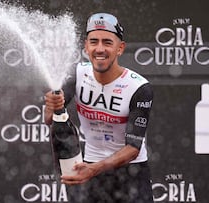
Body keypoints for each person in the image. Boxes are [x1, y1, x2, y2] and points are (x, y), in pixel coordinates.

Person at [44, 13, 154, 203]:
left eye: (107, 42)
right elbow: (50, 120)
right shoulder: (77, 73)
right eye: (94, 41)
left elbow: (133, 148)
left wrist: (94, 169)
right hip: (91, 169)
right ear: (86, 46)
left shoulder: (139, 87)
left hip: (132, 173)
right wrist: (50, 107)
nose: (100, 49)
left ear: (120, 48)